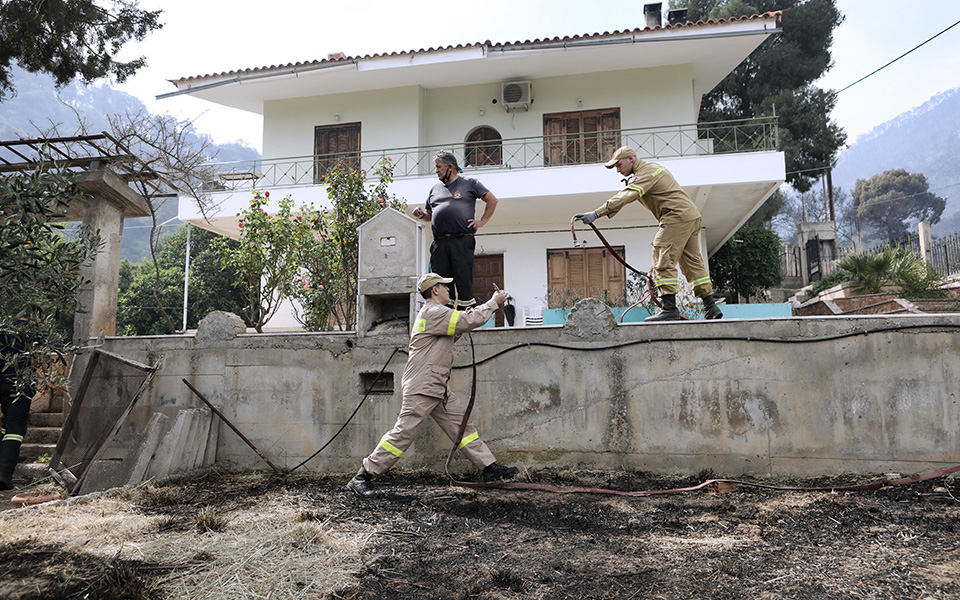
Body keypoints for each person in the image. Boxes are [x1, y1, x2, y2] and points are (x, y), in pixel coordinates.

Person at [347, 273, 519, 498]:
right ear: (435, 290)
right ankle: (363, 476)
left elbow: (457, 328)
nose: (449, 290)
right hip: (423, 385)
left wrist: (471, 313)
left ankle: (489, 468)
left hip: (435, 385)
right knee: (403, 433)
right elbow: (466, 322)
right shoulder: (433, 311)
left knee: (462, 428)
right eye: (445, 287)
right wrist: (493, 304)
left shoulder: (436, 314)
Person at [574, 146, 723, 321]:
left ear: (631, 159)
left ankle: (670, 309)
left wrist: (596, 213)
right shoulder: (651, 169)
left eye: (619, 165)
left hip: (675, 216)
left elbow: (627, 195)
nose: (617, 170)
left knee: (662, 257)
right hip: (690, 216)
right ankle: (710, 306)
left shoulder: (646, 173)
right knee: (692, 263)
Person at [411, 151, 498, 309]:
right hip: (440, 244)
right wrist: (421, 214)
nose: (436, 170)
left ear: (450, 167)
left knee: (463, 282)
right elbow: (429, 215)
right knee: (441, 284)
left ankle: (466, 322)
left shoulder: (470, 183)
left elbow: (492, 199)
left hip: (462, 241)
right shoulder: (434, 189)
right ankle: (444, 319)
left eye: (439, 167)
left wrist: (481, 222)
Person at [1, 313, 35, 491]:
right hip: (19, 386)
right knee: (14, 430)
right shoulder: (32, 333)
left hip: (2, 382)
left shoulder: (3, 330)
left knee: (7, 426)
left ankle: (9, 455)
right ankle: (4, 474)